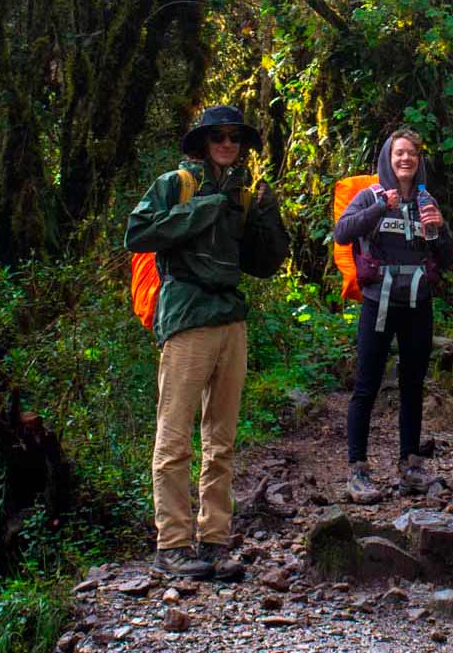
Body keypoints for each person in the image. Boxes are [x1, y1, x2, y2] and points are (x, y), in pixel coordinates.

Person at [124, 105, 288, 580]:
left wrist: (264, 218)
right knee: (174, 437)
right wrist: (202, 208)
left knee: (222, 440)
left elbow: (261, 264)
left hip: (230, 318)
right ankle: (172, 544)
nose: (227, 143)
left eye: (234, 136)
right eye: (218, 135)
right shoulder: (176, 184)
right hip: (187, 318)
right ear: (202, 141)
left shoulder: (241, 194)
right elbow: (138, 234)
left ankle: (214, 540)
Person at [333, 129, 453, 503]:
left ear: (419, 161)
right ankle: (358, 470)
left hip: (418, 304)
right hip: (378, 302)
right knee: (366, 386)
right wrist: (377, 209)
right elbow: (342, 233)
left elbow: (447, 259)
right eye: (399, 153)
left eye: (412, 155)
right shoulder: (370, 196)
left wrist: (437, 230)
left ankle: (411, 466)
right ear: (388, 157)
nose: (406, 160)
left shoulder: (426, 200)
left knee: (413, 385)